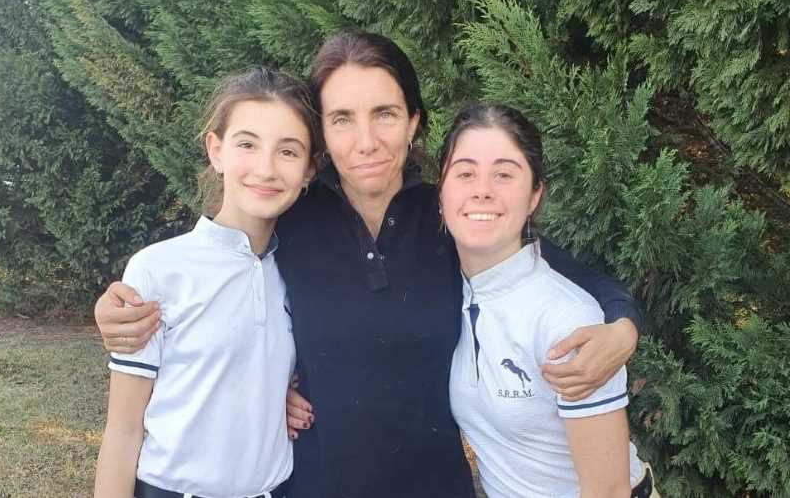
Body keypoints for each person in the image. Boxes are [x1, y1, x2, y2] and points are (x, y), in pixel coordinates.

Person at [95, 31, 643, 498]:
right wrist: (122, 307)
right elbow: (225, 282)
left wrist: (623, 329)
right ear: (321, 139)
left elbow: (564, 276)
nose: (366, 142)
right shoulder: (292, 219)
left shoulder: (450, 215)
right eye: (341, 119)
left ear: (413, 121)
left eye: (385, 114)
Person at [93, 67, 319, 498]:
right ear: (216, 151)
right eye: (247, 144)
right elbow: (122, 430)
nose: (266, 168)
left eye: (288, 151)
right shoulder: (158, 269)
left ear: (309, 170)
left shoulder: (300, 273)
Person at [439, 103, 658, 498]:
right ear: (440, 190)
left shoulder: (567, 321)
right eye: (465, 173)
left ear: (534, 195)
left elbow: (607, 491)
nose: (482, 189)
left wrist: (625, 325)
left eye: (504, 174)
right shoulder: (449, 285)